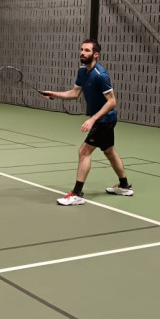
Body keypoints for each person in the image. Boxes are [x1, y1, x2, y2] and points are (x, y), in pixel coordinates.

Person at [43, 39, 133, 205]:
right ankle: (124, 186)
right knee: (109, 152)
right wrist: (54, 94)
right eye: (82, 49)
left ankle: (77, 194)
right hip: (103, 119)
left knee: (84, 152)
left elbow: (112, 101)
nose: (82, 53)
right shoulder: (82, 71)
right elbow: (74, 93)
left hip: (104, 119)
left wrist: (92, 119)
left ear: (95, 54)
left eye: (87, 50)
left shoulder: (101, 75)